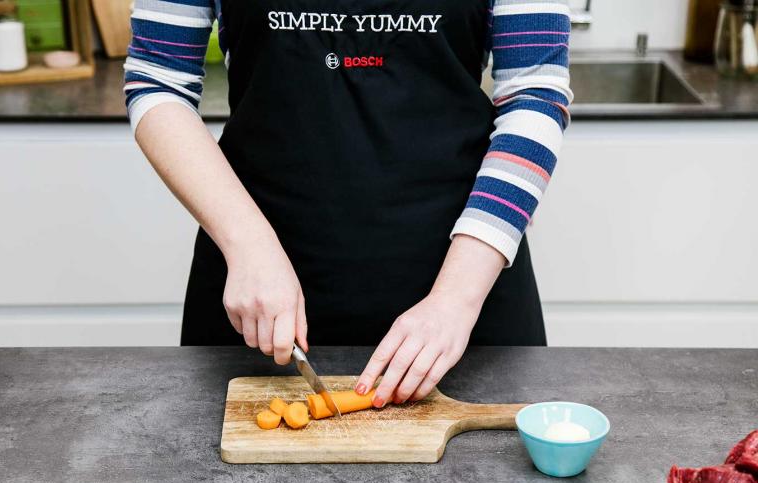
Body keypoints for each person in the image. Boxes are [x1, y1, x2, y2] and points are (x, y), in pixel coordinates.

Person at [124, 0, 572, 408]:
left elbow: (534, 95)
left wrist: (456, 298)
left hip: (463, 287)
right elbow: (158, 80)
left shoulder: (459, 297)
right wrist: (248, 244)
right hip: (260, 292)